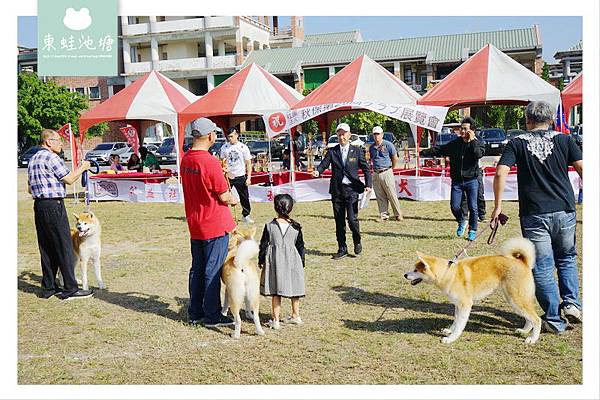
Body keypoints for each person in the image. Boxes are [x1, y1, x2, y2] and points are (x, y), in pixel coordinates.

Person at [491, 100, 583, 335]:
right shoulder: (565, 139)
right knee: (567, 258)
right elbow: (583, 167)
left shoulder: (517, 143)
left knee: (541, 266)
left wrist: (498, 206)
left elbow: (501, 171)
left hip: (534, 212)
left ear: (527, 121)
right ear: (551, 120)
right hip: (564, 208)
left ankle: (553, 317)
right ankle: (572, 303)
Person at [180, 118, 238, 328]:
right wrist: (234, 198)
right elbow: (224, 195)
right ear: (210, 136)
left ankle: (195, 311)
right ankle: (212, 314)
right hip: (214, 223)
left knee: (198, 268)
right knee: (212, 270)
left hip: (196, 223)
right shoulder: (209, 161)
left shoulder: (186, 159)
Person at [27, 129, 93, 300]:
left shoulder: (33, 159)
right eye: (58, 140)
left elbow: (29, 188)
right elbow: (69, 179)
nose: (61, 143)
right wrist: (83, 167)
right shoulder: (51, 157)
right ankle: (71, 288)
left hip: (39, 205)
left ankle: (48, 287)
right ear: (48, 141)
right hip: (54, 204)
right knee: (63, 245)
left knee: (46, 247)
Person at [420, 117, 485, 241]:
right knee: (454, 206)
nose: (462, 131)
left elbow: (478, 154)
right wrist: (423, 152)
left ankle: (473, 229)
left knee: (473, 206)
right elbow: (440, 149)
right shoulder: (455, 143)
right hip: (457, 180)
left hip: (472, 180)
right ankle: (462, 220)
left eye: (465, 129)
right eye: (461, 128)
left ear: (472, 131)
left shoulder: (478, 142)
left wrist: (472, 141)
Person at [313, 123, 372, 259]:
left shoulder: (357, 151)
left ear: (349, 135)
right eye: (339, 134)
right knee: (339, 222)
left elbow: (366, 169)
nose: (341, 137)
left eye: (344, 134)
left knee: (352, 220)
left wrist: (368, 185)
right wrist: (318, 171)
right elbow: (324, 164)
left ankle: (357, 241)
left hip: (352, 190)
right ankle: (342, 248)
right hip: (337, 191)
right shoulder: (332, 151)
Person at [258, 194, 305, 329]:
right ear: (291, 208)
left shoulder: (269, 225)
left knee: (276, 290)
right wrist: (302, 262)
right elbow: (301, 246)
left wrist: (261, 260)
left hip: (275, 260)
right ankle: (296, 315)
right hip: (293, 261)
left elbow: (263, 244)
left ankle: (276, 320)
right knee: (295, 288)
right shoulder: (296, 226)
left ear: (275, 207)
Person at [368, 126, 403, 221]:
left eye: (378, 134)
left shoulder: (388, 145)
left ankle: (398, 214)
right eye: (374, 134)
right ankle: (384, 215)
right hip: (376, 173)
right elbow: (370, 159)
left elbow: (394, 157)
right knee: (380, 195)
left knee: (391, 194)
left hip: (386, 171)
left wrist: (392, 167)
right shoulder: (371, 147)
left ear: (382, 135)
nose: (376, 136)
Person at [220, 127, 254, 223]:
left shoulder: (243, 147)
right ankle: (223, 215)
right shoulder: (224, 148)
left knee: (244, 197)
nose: (230, 138)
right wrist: (223, 172)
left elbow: (248, 163)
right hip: (228, 176)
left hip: (240, 175)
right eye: (228, 137)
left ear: (237, 135)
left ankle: (246, 215)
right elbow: (222, 161)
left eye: (232, 136)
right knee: (224, 196)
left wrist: (249, 178)